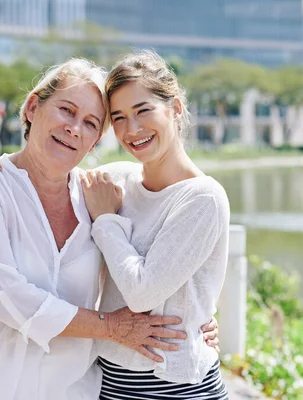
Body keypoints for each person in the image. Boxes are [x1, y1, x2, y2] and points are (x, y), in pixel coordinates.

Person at [0, 57, 218, 400]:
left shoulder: (97, 192)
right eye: (66, 110)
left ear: (96, 141)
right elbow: (8, 297)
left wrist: (198, 318)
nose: (74, 128)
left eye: (91, 123)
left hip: (77, 391)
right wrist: (111, 327)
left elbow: (171, 268)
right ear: (32, 107)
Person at [81, 50, 230, 399]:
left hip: (175, 385)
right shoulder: (117, 180)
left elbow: (142, 292)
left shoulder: (202, 198)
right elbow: (47, 180)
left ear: (175, 108)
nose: (131, 130)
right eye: (118, 117)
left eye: (142, 111)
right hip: (111, 380)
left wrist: (106, 220)